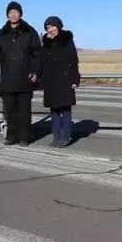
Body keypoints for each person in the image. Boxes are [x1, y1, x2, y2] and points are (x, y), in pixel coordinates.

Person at [0, 1, 41, 146]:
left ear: (20, 14)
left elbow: (37, 54)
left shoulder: (29, 32)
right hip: (8, 77)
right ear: (7, 15)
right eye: (10, 12)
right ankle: (11, 136)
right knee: (10, 110)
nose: (13, 15)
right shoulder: (2, 34)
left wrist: (35, 72)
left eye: (16, 12)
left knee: (24, 110)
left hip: (25, 77)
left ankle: (24, 137)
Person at [38, 16, 80, 147]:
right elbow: (42, 62)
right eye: (48, 27)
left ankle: (65, 137)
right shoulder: (46, 42)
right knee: (54, 110)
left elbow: (73, 60)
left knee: (65, 109)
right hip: (50, 80)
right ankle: (56, 137)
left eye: (52, 26)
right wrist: (41, 79)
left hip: (65, 79)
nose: (50, 29)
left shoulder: (66, 39)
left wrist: (74, 79)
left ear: (59, 27)